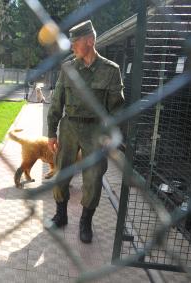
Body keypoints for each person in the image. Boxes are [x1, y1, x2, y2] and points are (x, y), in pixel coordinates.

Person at [47, 20, 124, 243]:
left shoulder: (111, 71)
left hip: (95, 131)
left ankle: (85, 222)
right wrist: (52, 132)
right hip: (69, 127)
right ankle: (61, 215)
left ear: (89, 41)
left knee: (93, 178)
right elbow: (56, 102)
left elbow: (117, 109)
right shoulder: (68, 68)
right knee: (62, 172)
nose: (71, 47)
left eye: (75, 43)